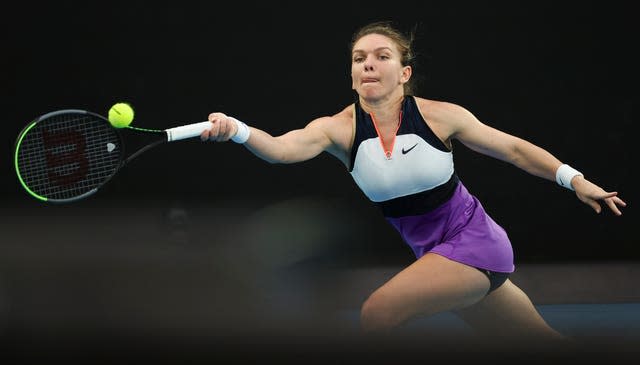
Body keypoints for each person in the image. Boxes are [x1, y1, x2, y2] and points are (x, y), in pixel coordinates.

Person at [199, 21, 626, 342]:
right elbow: (279, 149)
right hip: (433, 254)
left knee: (378, 312)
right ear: (352, 74)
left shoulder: (441, 115)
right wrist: (236, 129)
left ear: (403, 73)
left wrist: (575, 179)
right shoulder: (336, 129)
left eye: (382, 56)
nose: (368, 63)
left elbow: (513, 149)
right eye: (359, 57)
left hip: (475, 243)